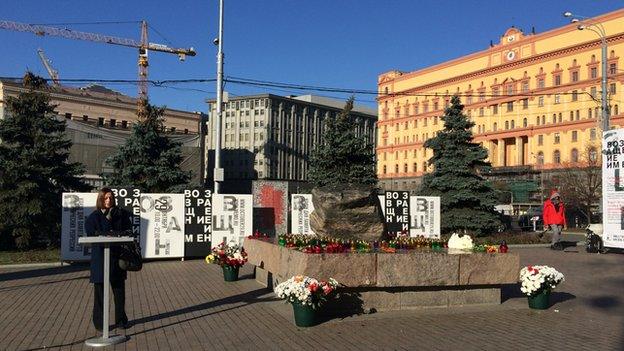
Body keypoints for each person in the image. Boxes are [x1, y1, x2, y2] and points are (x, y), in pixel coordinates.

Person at [85, 187, 132, 331]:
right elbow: (91, 232)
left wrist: (116, 233)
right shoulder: (94, 216)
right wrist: (107, 231)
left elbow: (128, 230)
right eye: (105, 198)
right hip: (100, 259)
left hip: (117, 258)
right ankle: (100, 323)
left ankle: (121, 321)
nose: (108, 200)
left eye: (111, 197)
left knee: (119, 291)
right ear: (100, 199)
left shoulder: (121, 214)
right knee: (99, 293)